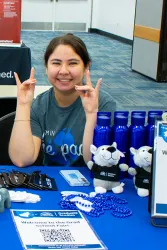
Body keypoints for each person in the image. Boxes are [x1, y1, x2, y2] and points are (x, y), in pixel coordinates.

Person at [9, 33, 116, 167]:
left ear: (86, 67)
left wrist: (92, 114)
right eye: (56, 63)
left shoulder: (104, 104)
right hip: (53, 183)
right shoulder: (40, 105)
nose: (64, 71)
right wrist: (23, 105)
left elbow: (95, 163)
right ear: (46, 67)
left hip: (92, 184)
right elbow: (22, 159)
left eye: (72, 63)